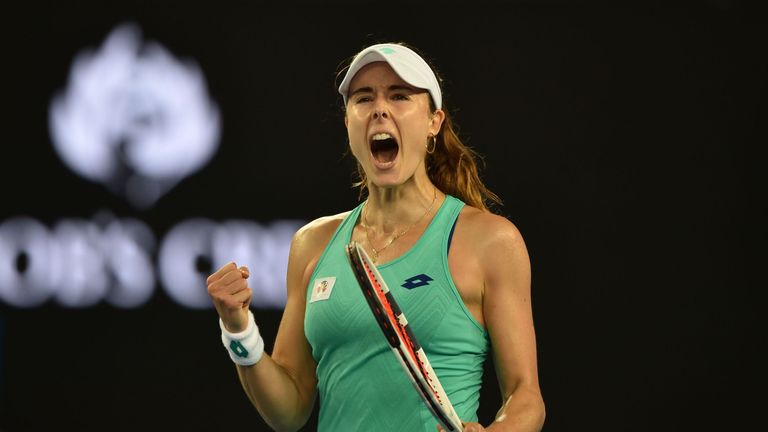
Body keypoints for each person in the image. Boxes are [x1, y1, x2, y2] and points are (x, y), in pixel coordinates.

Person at [207, 42, 545, 432]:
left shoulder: (491, 241)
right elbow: (288, 411)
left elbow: (525, 397)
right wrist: (239, 330)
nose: (379, 109)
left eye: (399, 96)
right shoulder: (311, 244)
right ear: (348, 123)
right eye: (364, 98)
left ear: (434, 122)